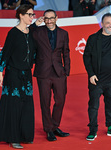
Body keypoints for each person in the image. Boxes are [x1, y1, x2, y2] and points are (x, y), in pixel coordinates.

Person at [0, 4, 40, 149]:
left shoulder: (31, 32)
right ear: (21, 15)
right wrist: (0, 73)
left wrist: (37, 23)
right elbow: (5, 53)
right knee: (14, 105)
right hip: (13, 74)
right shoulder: (12, 33)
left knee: (26, 105)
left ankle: (25, 135)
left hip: (26, 74)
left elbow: (34, 51)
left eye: (33, 14)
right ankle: (13, 138)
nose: (32, 17)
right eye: (30, 14)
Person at [83, 13, 111, 141]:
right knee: (94, 106)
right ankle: (93, 129)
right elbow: (86, 57)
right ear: (102, 24)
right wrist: (91, 74)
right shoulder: (94, 38)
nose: (110, 26)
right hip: (96, 80)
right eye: (108, 23)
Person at [32, 9, 70, 142]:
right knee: (45, 102)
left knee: (60, 100)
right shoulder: (37, 32)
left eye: (51, 18)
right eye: (46, 18)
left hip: (59, 72)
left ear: (56, 18)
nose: (49, 21)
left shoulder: (64, 33)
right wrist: (35, 24)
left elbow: (66, 53)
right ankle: (49, 129)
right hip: (43, 72)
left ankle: (54, 126)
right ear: (43, 19)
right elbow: (26, 33)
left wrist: (67, 71)